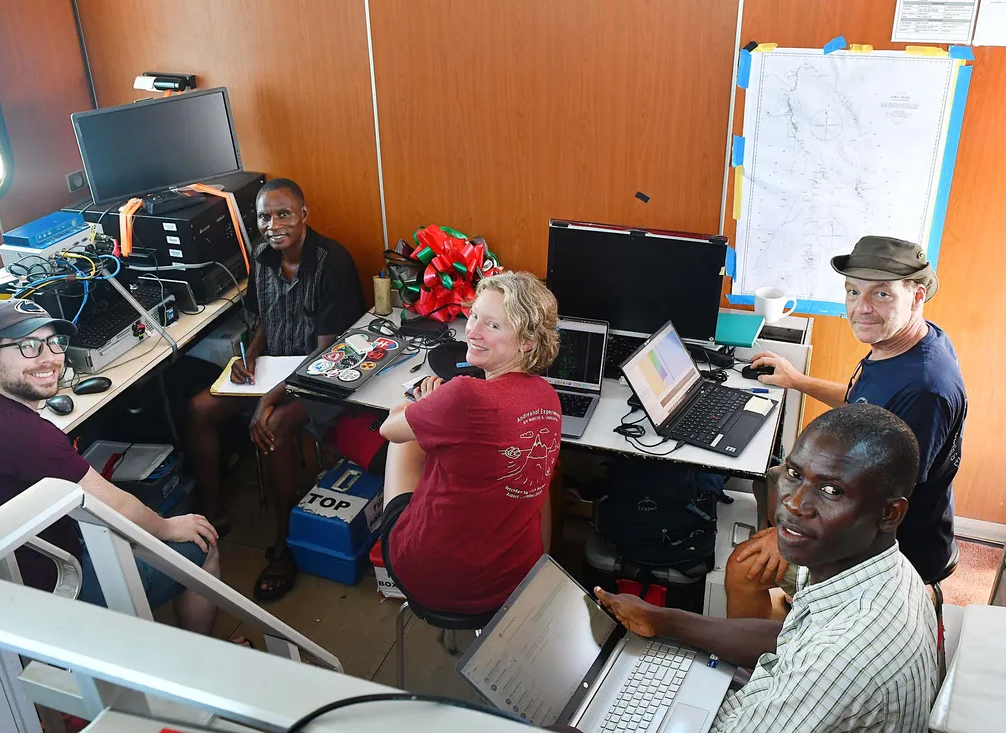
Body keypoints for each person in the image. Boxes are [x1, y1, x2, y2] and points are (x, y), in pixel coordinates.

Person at [596, 403, 938, 732]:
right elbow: (790, 639)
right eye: (794, 474)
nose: (793, 502)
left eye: (832, 490)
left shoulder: (841, 659)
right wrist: (664, 620)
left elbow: (820, 661)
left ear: (889, 513)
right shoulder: (880, 567)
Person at [0, 299, 221, 634]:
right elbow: (117, 505)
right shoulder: (27, 436)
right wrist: (169, 529)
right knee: (201, 542)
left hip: (23, 570)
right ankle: (203, 664)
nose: (49, 357)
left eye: (54, 342)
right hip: (59, 586)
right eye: (28, 346)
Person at [742, 235, 966, 599]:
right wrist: (796, 380)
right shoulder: (903, 344)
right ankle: (791, 598)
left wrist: (788, 535)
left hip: (887, 547)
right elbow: (862, 405)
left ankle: (790, 644)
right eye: (852, 292)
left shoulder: (926, 389)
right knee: (766, 479)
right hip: (856, 502)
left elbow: (887, 503)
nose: (860, 308)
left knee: (742, 567)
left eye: (881, 294)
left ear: (917, 297)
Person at [186, 178, 365, 601]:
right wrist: (250, 355)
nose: (272, 224)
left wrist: (268, 400)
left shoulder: (331, 262)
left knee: (275, 426)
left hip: (322, 377)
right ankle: (213, 515)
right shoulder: (263, 258)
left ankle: (284, 546)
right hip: (273, 370)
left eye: (283, 214)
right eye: (264, 216)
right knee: (197, 409)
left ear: (304, 215)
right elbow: (265, 317)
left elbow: (325, 354)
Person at [377, 271, 562, 614]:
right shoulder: (548, 397)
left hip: (436, 582)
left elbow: (389, 428)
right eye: (474, 315)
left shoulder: (463, 393)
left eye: (493, 326)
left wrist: (423, 406)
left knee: (405, 441)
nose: (472, 332)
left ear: (527, 342)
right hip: (514, 581)